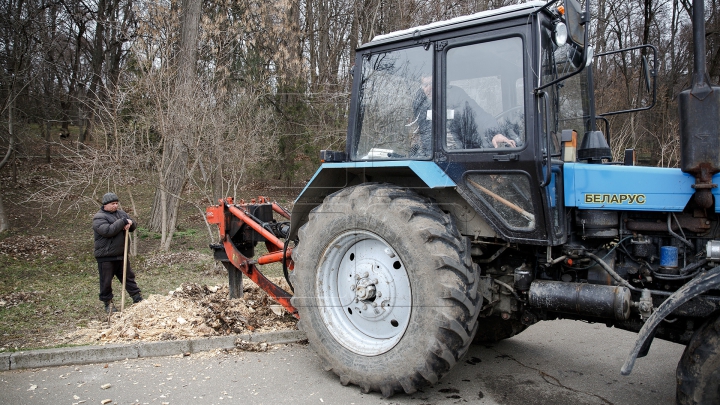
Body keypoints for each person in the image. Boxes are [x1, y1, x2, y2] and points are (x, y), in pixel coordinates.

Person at [410, 75, 518, 154]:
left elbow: (477, 114)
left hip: (456, 153)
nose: (429, 88)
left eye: (433, 84)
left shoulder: (456, 96)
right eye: (425, 85)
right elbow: (415, 130)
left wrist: (495, 133)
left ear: (441, 84)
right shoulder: (419, 103)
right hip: (429, 156)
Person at [92, 192, 143, 313]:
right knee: (106, 281)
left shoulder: (121, 214)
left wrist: (130, 223)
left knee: (128, 277)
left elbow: (132, 225)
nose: (115, 206)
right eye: (112, 204)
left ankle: (137, 298)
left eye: (116, 203)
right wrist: (123, 222)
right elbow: (108, 231)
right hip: (106, 256)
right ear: (105, 205)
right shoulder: (99, 217)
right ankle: (108, 304)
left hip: (121, 254)